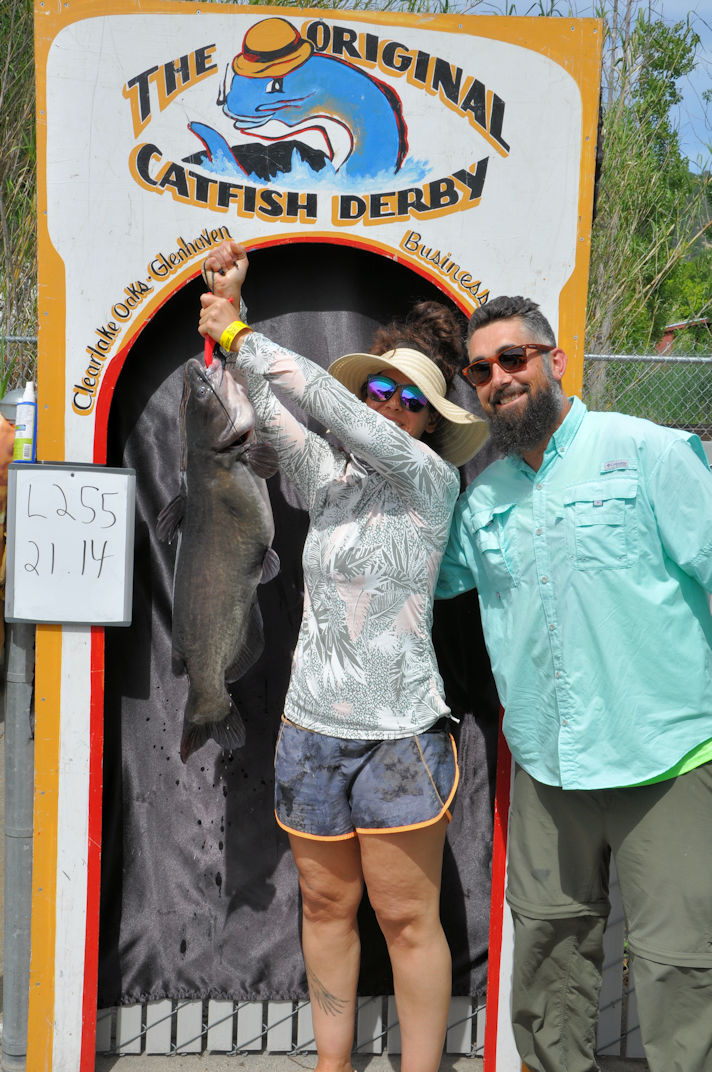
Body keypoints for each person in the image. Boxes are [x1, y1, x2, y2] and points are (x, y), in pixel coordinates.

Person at [198, 239, 489, 1072]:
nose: (391, 407)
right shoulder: (328, 478)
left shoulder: (430, 482)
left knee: (407, 921)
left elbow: (331, 405)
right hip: (310, 733)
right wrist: (229, 322)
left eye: (412, 400)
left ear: (431, 423)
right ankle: (333, 1064)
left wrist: (241, 332)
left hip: (400, 739)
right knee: (326, 909)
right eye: (383, 390)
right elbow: (275, 411)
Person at [435, 294, 712, 1072]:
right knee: (548, 964)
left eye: (513, 358)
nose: (498, 378)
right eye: (480, 370)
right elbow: (426, 582)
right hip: (548, 768)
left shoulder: (648, 452)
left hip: (667, 759)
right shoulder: (483, 502)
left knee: (679, 970)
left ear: (555, 361)